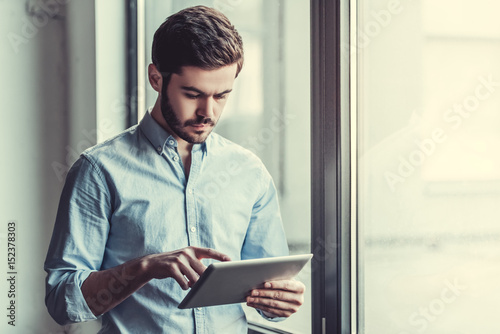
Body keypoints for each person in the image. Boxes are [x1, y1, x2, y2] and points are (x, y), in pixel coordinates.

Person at [44, 5, 305, 333]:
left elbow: (270, 287)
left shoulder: (250, 173)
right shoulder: (98, 171)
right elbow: (61, 301)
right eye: (193, 94)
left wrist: (281, 301)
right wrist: (146, 268)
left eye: (222, 96)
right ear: (156, 78)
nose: (207, 112)